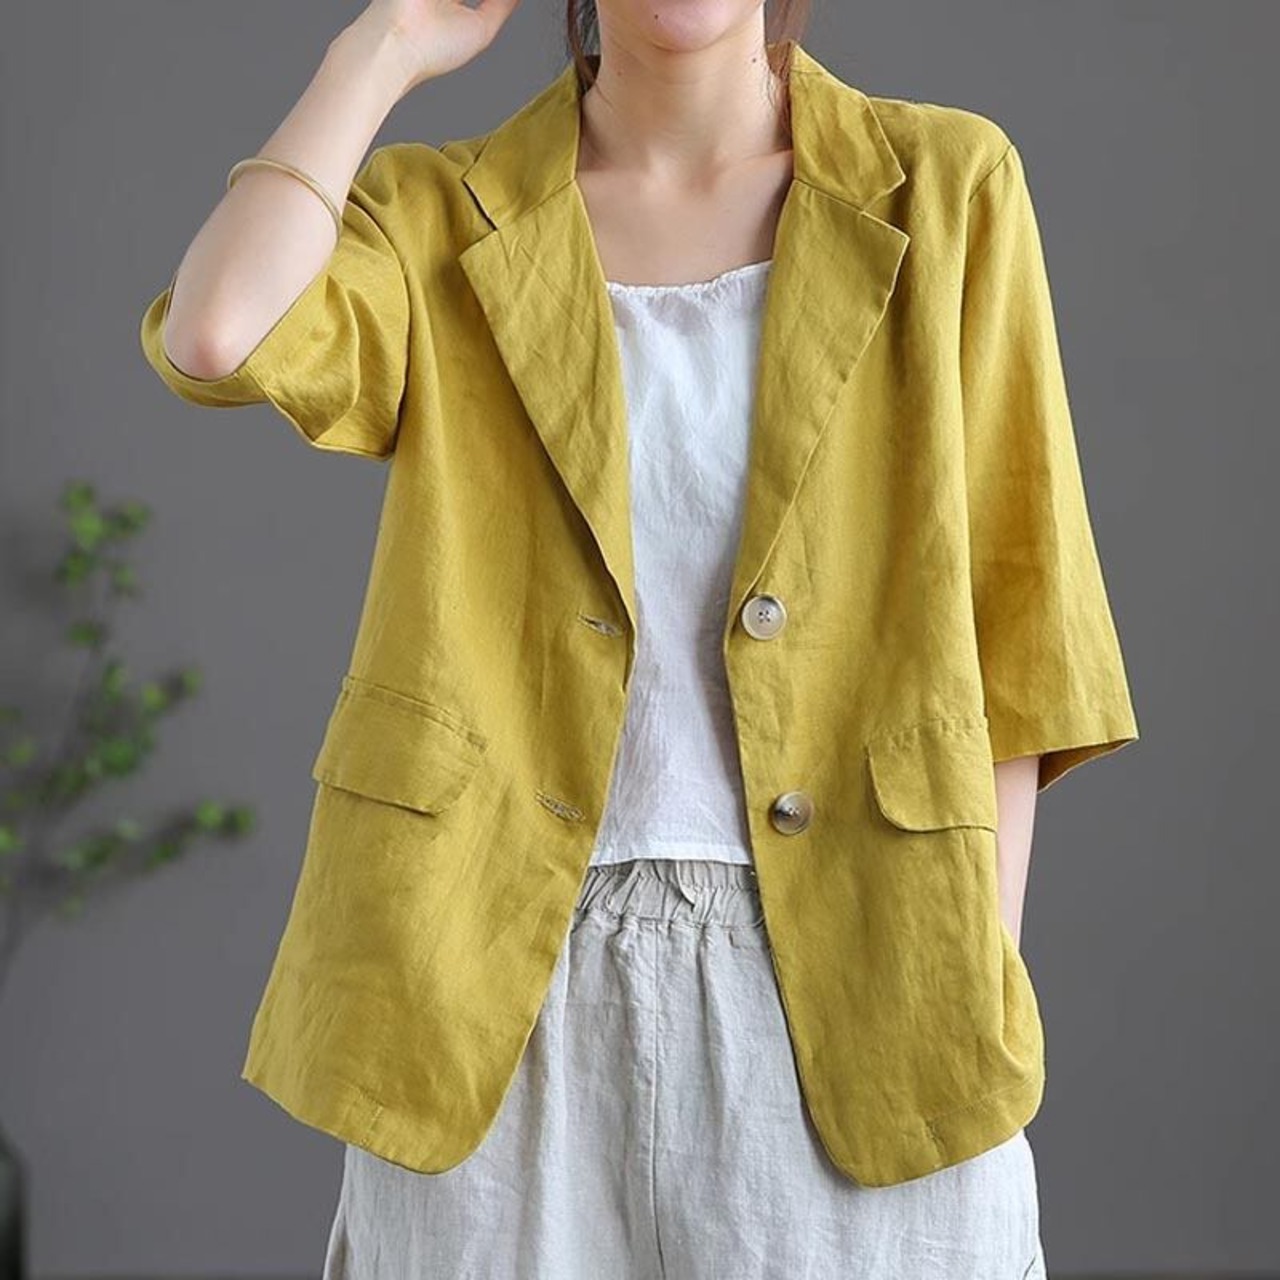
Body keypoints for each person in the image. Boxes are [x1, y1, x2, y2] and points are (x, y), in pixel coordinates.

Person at [140, 0, 1140, 1275]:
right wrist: (382, 45)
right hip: (480, 977)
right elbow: (217, 332)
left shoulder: (945, 182)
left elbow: (1022, 625)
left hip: (864, 967)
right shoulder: (437, 211)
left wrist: (963, 969)